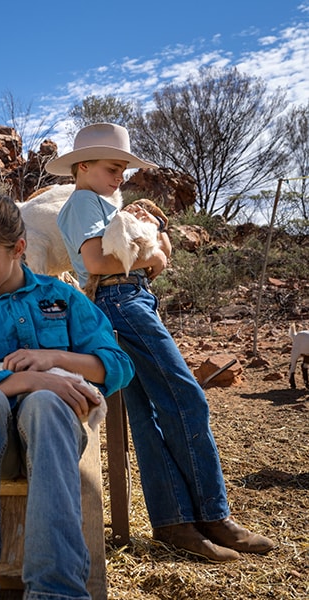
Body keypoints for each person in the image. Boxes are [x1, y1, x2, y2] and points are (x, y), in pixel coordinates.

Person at [49, 122, 276, 563]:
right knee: (187, 400)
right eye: (113, 168)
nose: (120, 177)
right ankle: (213, 516)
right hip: (120, 299)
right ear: (82, 166)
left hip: (124, 299)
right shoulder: (82, 202)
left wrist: (148, 250)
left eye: (123, 170)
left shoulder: (100, 202)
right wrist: (151, 252)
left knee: (149, 412)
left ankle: (175, 523)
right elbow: (96, 259)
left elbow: (130, 255)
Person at [0, 191, 134, 600]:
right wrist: (23, 380)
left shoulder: (63, 297)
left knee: (46, 405)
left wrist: (54, 358)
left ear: (18, 249)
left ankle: (57, 591)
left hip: (53, 438)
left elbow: (119, 364)